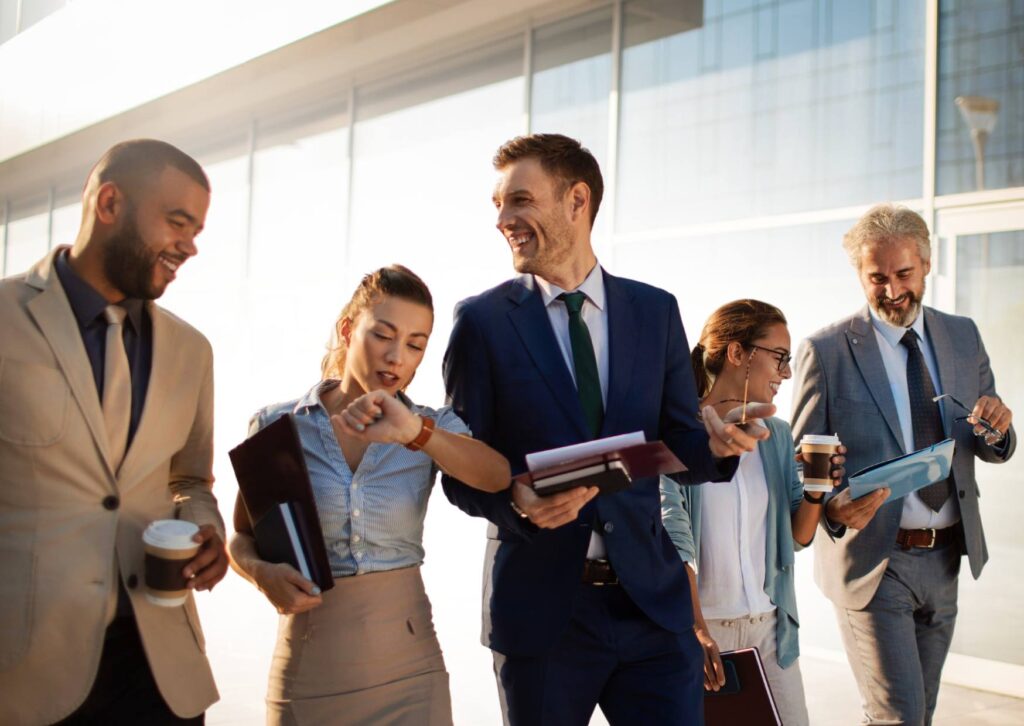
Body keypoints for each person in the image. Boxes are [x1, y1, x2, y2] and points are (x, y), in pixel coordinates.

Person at [441, 133, 773, 725]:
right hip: (543, 618)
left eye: (519, 201)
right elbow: (460, 469)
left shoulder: (655, 311)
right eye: (498, 206)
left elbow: (677, 447)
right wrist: (514, 501)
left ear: (577, 200)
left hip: (653, 610)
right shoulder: (482, 323)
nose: (503, 220)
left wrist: (718, 445)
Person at [0, 139, 228, 724]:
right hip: (26, 671)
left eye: (197, 229)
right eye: (177, 222)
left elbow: (188, 480)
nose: (190, 245)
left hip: (159, 670)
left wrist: (204, 525)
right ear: (108, 204)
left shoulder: (191, 350)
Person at [228, 265, 511, 726]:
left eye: (416, 344)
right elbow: (241, 535)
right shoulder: (278, 427)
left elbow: (496, 475)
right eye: (384, 335)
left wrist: (415, 433)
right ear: (347, 330)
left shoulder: (428, 426)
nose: (398, 356)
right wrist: (261, 573)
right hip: (307, 671)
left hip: (411, 671)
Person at [791, 204, 1016, 725]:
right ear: (859, 275)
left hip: (945, 559)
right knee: (900, 717)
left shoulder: (964, 336)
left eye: (903, 274)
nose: (891, 290)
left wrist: (999, 430)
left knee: (918, 714)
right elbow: (800, 463)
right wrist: (833, 511)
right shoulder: (825, 351)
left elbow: (988, 439)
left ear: (927, 264)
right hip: (874, 560)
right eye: (877, 278)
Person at [661, 299, 846, 726]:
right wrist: (696, 628)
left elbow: (798, 536)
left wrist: (820, 490)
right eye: (780, 358)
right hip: (707, 629)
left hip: (770, 627)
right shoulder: (680, 433)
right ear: (737, 353)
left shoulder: (777, 435)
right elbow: (674, 537)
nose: (785, 373)